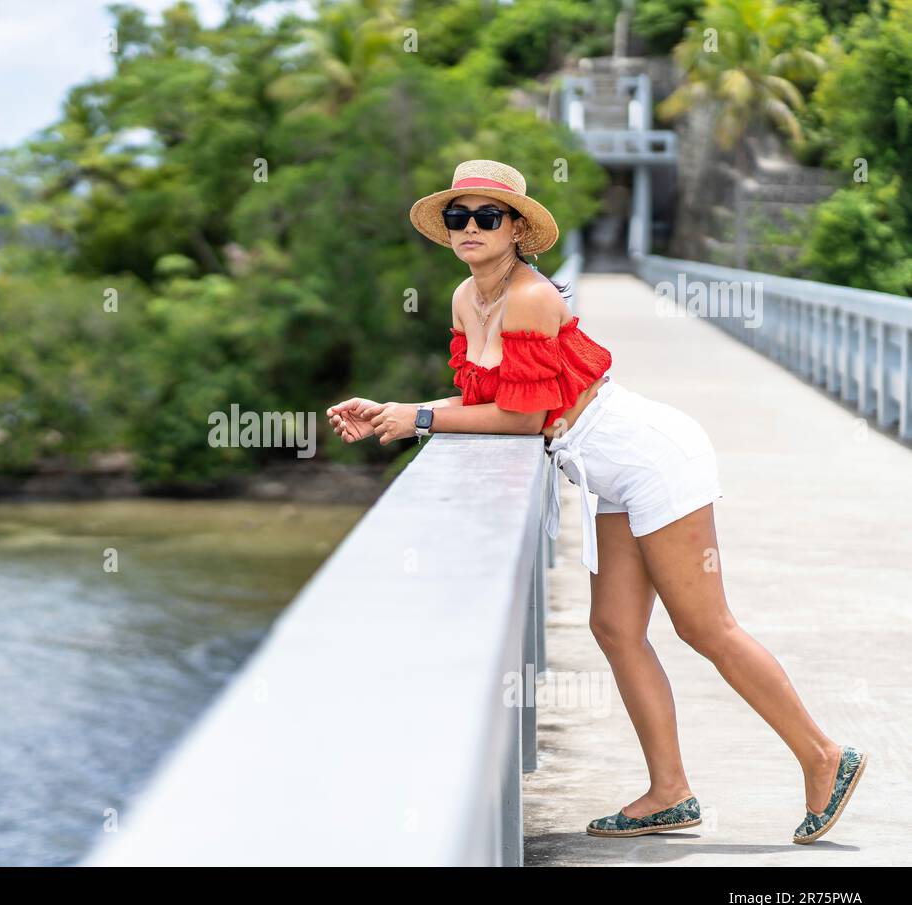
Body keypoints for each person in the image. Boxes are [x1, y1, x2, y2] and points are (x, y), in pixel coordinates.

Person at [326, 160, 866, 843]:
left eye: (487, 216)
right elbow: (490, 399)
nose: (469, 227)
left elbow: (523, 419)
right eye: (458, 216)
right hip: (606, 473)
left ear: (518, 229)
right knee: (614, 628)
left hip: (650, 457)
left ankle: (823, 756)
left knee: (705, 626)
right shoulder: (467, 298)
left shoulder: (529, 297)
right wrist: (393, 412)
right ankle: (670, 792)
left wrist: (420, 419)